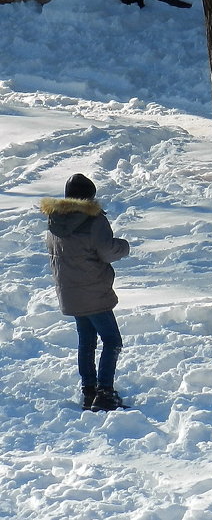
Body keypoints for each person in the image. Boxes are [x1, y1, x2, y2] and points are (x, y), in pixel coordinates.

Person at [41, 173, 131, 411]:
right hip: (94, 292)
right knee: (112, 340)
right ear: (90, 195)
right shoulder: (94, 220)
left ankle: (89, 390)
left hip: (71, 292)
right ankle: (105, 393)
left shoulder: (55, 221)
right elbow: (107, 251)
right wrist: (124, 246)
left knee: (87, 340)